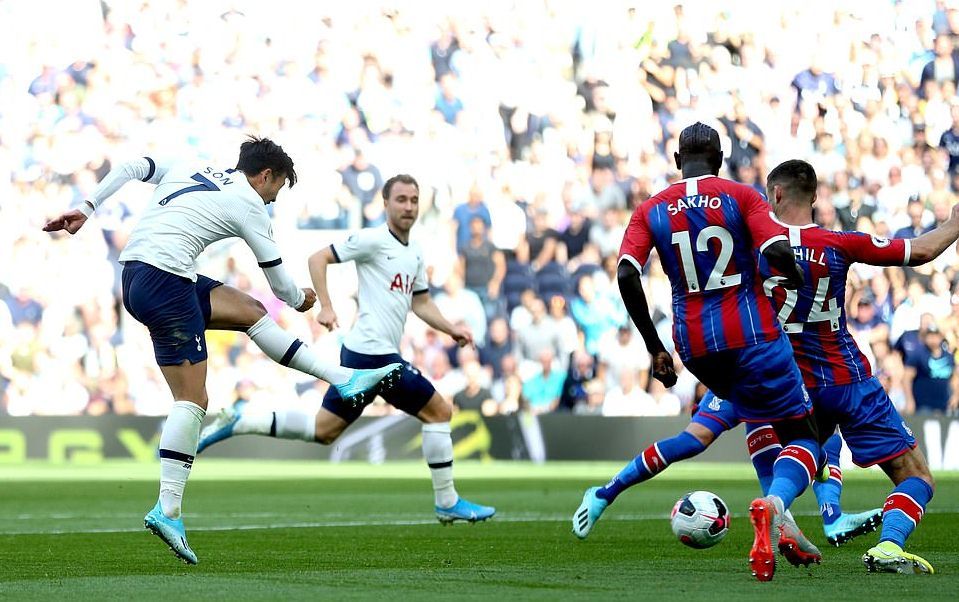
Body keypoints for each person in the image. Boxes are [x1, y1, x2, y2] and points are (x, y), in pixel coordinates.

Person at [41, 137, 402, 564]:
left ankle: (344, 379)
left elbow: (134, 165)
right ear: (265, 175)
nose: (272, 200)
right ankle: (167, 509)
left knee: (249, 311)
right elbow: (283, 286)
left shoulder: (190, 163)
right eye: (277, 188)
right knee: (194, 400)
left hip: (144, 273)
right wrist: (304, 300)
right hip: (164, 281)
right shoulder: (249, 202)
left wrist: (87, 206)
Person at [576, 122, 819, 582]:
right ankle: (776, 506)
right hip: (754, 339)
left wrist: (655, 348)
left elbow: (627, 274)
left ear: (675, 160)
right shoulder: (741, 196)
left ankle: (606, 492)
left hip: (697, 347)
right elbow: (778, 248)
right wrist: (796, 279)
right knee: (808, 437)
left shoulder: (651, 209)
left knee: (712, 431)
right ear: (720, 158)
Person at [197, 173, 495, 523]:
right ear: (385, 204)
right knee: (440, 412)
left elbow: (422, 303)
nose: (408, 207)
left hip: (360, 356)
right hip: (375, 358)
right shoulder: (372, 239)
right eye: (401, 200)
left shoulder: (414, 252)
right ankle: (447, 501)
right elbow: (317, 258)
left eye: (413, 200)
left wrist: (452, 329)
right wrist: (326, 305)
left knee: (324, 430)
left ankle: (242, 421)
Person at [759, 159, 959, 574]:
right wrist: (955, 222)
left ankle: (775, 503)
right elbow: (920, 250)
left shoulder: (751, 248)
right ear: (814, 197)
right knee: (917, 476)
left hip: (792, 383)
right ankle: (888, 547)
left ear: (775, 194)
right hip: (847, 378)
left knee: (805, 451)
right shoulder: (838, 242)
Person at [572, 388, 880, 545]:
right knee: (693, 440)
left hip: (770, 367)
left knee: (824, 438)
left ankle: (826, 519)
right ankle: (604, 494)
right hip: (747, 371)